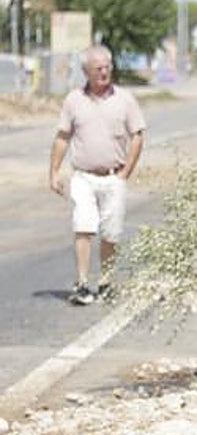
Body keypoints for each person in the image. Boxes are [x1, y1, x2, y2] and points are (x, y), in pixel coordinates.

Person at [49, 45, 146, 305]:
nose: (104, 72)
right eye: (98, 68)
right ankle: (82, 283)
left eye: (107, 67)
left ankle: (106, 281)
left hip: (114, 176)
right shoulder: (74, 101)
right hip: (82, 175)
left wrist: (126, 170)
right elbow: (62, 137)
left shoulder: (125, 99)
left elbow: (137, 135)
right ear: (86, 72)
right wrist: (54, 171)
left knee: (111, 233)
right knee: (83, 225)